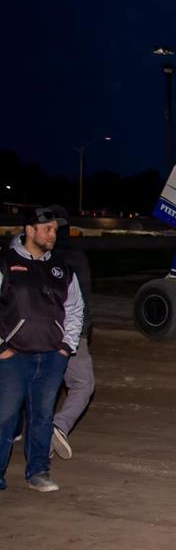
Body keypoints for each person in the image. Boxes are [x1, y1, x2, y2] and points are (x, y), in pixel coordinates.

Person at [0, 207, 83, 492]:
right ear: (30, 230)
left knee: (43, 417)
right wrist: (2, 348)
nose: (52, 234)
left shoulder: (62, 268)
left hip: (51, 357)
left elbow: (75, 309)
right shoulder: (6, 263)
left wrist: (65, 347)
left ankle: (38, 471)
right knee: (5, 417)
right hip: (13, 358)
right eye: (47, 228)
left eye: (55, 230)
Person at [46, 204, 94, 460]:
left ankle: (25, 428)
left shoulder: (33, 255)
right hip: (70, 332)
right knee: (82, 384)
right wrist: (84, 332)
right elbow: (83, 300)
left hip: (36, 332)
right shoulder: (75, 257)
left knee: (38, 383)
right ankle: (59, 425)